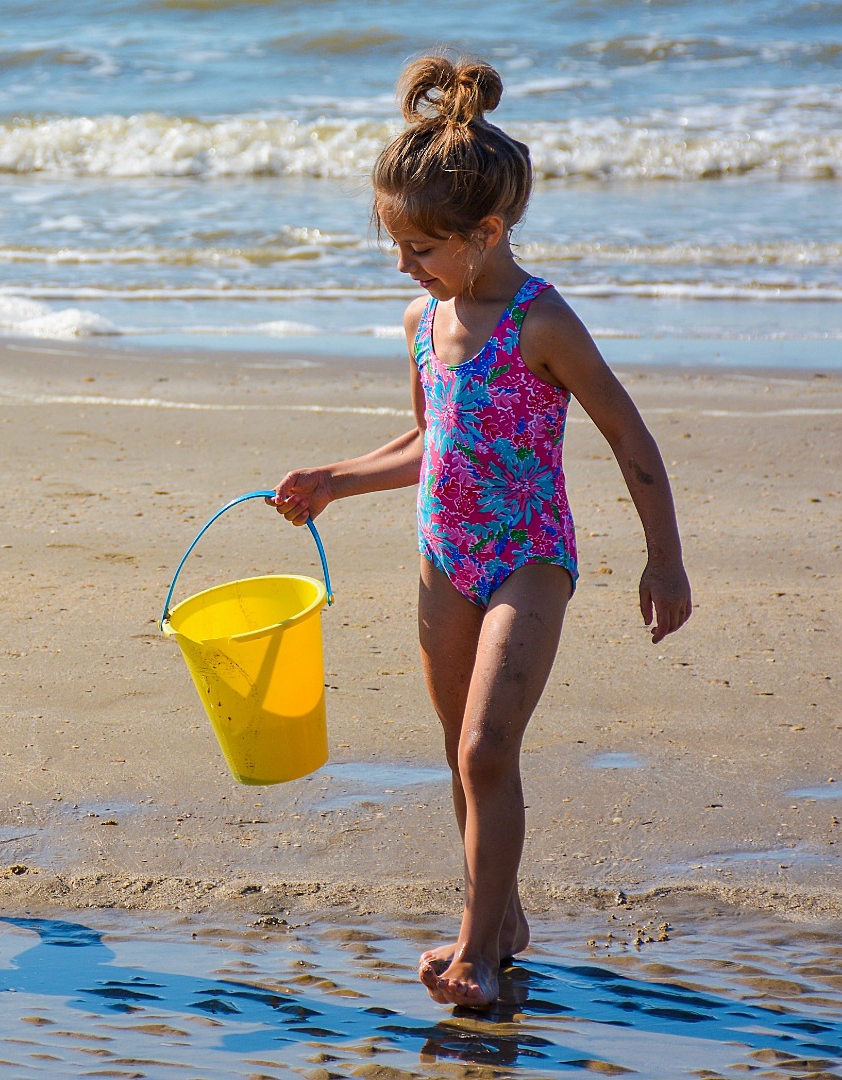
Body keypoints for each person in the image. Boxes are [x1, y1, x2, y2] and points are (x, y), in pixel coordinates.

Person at [269, 55, 692, 1007]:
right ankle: (498, 919)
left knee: (484, 751)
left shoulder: (542, 322)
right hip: (443, 557)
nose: (405, 264)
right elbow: (431, 440)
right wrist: (336, 478)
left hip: (528, 558)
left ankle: (478, 956)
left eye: (421, 246)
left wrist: (665, 560)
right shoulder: (422, 320)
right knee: (458, 750)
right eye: (396, 243)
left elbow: (631, 435)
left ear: (487, 231)